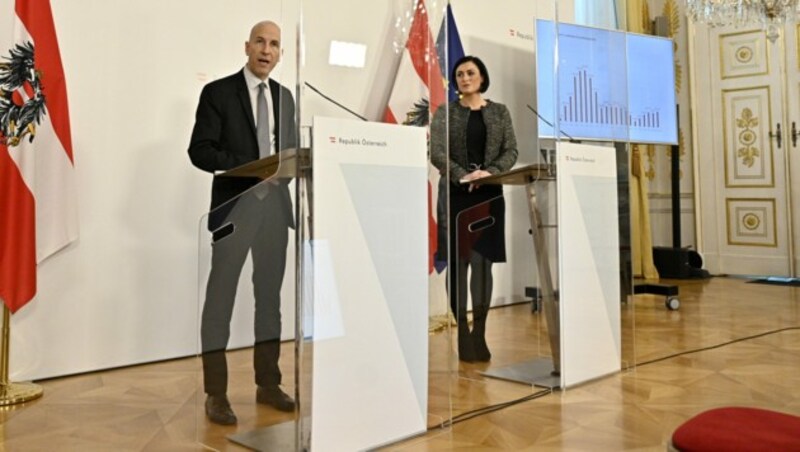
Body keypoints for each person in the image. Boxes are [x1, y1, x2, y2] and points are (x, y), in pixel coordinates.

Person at [188, 20, 297, 425]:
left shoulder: (286, 98)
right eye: (260, 42)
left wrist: (285, 169)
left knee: (269, 300)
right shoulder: (217, 93)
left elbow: (286, 152)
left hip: (274, 211)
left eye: (274, 45)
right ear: (246, 47)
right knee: (221, 299)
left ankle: (268, 383)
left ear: (280, 53)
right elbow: (200, 151)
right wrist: (250, 169)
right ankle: (216, 393)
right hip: (234, 210)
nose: (266, 50)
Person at [430, 55, 518, 363]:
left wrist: (489, 171)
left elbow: (511, 150)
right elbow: (437, 151)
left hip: (489, 195)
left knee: (483, 265)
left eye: (470, 73)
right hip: (456, 196)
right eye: (459, 74)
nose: (464, 78)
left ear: (482, 77)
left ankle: (480, 332)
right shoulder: (445, 112)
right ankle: (464, 333)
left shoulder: (500, 112)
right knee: (459, 264)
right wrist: (461, 174)